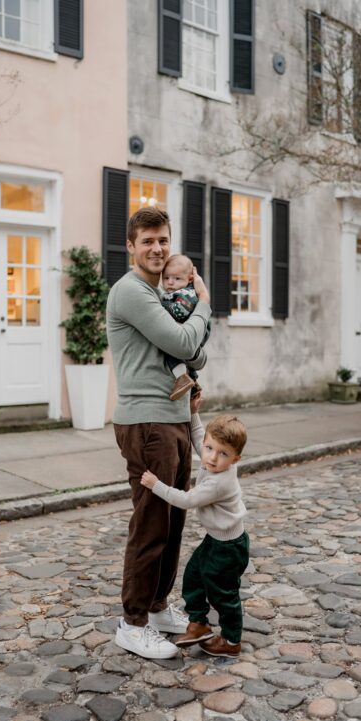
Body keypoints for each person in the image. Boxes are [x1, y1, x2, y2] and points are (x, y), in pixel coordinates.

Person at [105, 206, 211, 660]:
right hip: (147, 422)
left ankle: (155, 607)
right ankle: (131, 623)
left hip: (173, 417)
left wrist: (192, 331)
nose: (157, 248)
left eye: (163, 239)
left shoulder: (163, 294)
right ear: (130, 246)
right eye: (147, 240)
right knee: (151, 522)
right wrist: (204, 305)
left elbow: (196, 357)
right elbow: (189, 344)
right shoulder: (132, 293)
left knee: (173, 521)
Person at [140, 410, 249, 657]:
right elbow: (200, 434)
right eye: (209, 448)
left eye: (223, 453)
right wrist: (193, 411)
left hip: (229, 547)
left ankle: (232, 642)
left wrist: (156, 485)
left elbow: (187, 499)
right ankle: (198, 624)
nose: (211, 457)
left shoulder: (218, 482)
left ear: (235, 458)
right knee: (193, 577)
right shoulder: (214, 460)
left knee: (224, 594)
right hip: (216, 540)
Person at [159, 254, 211, 401]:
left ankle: (182, 377)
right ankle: (192, 382)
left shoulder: (187, 293)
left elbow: (181, 312)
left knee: (170, 347)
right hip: (191, 331)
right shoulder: (171, 293)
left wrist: (159, 309)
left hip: (196, 331)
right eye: (166, 277)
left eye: (177, 278)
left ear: (189, 279)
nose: (170, 282)